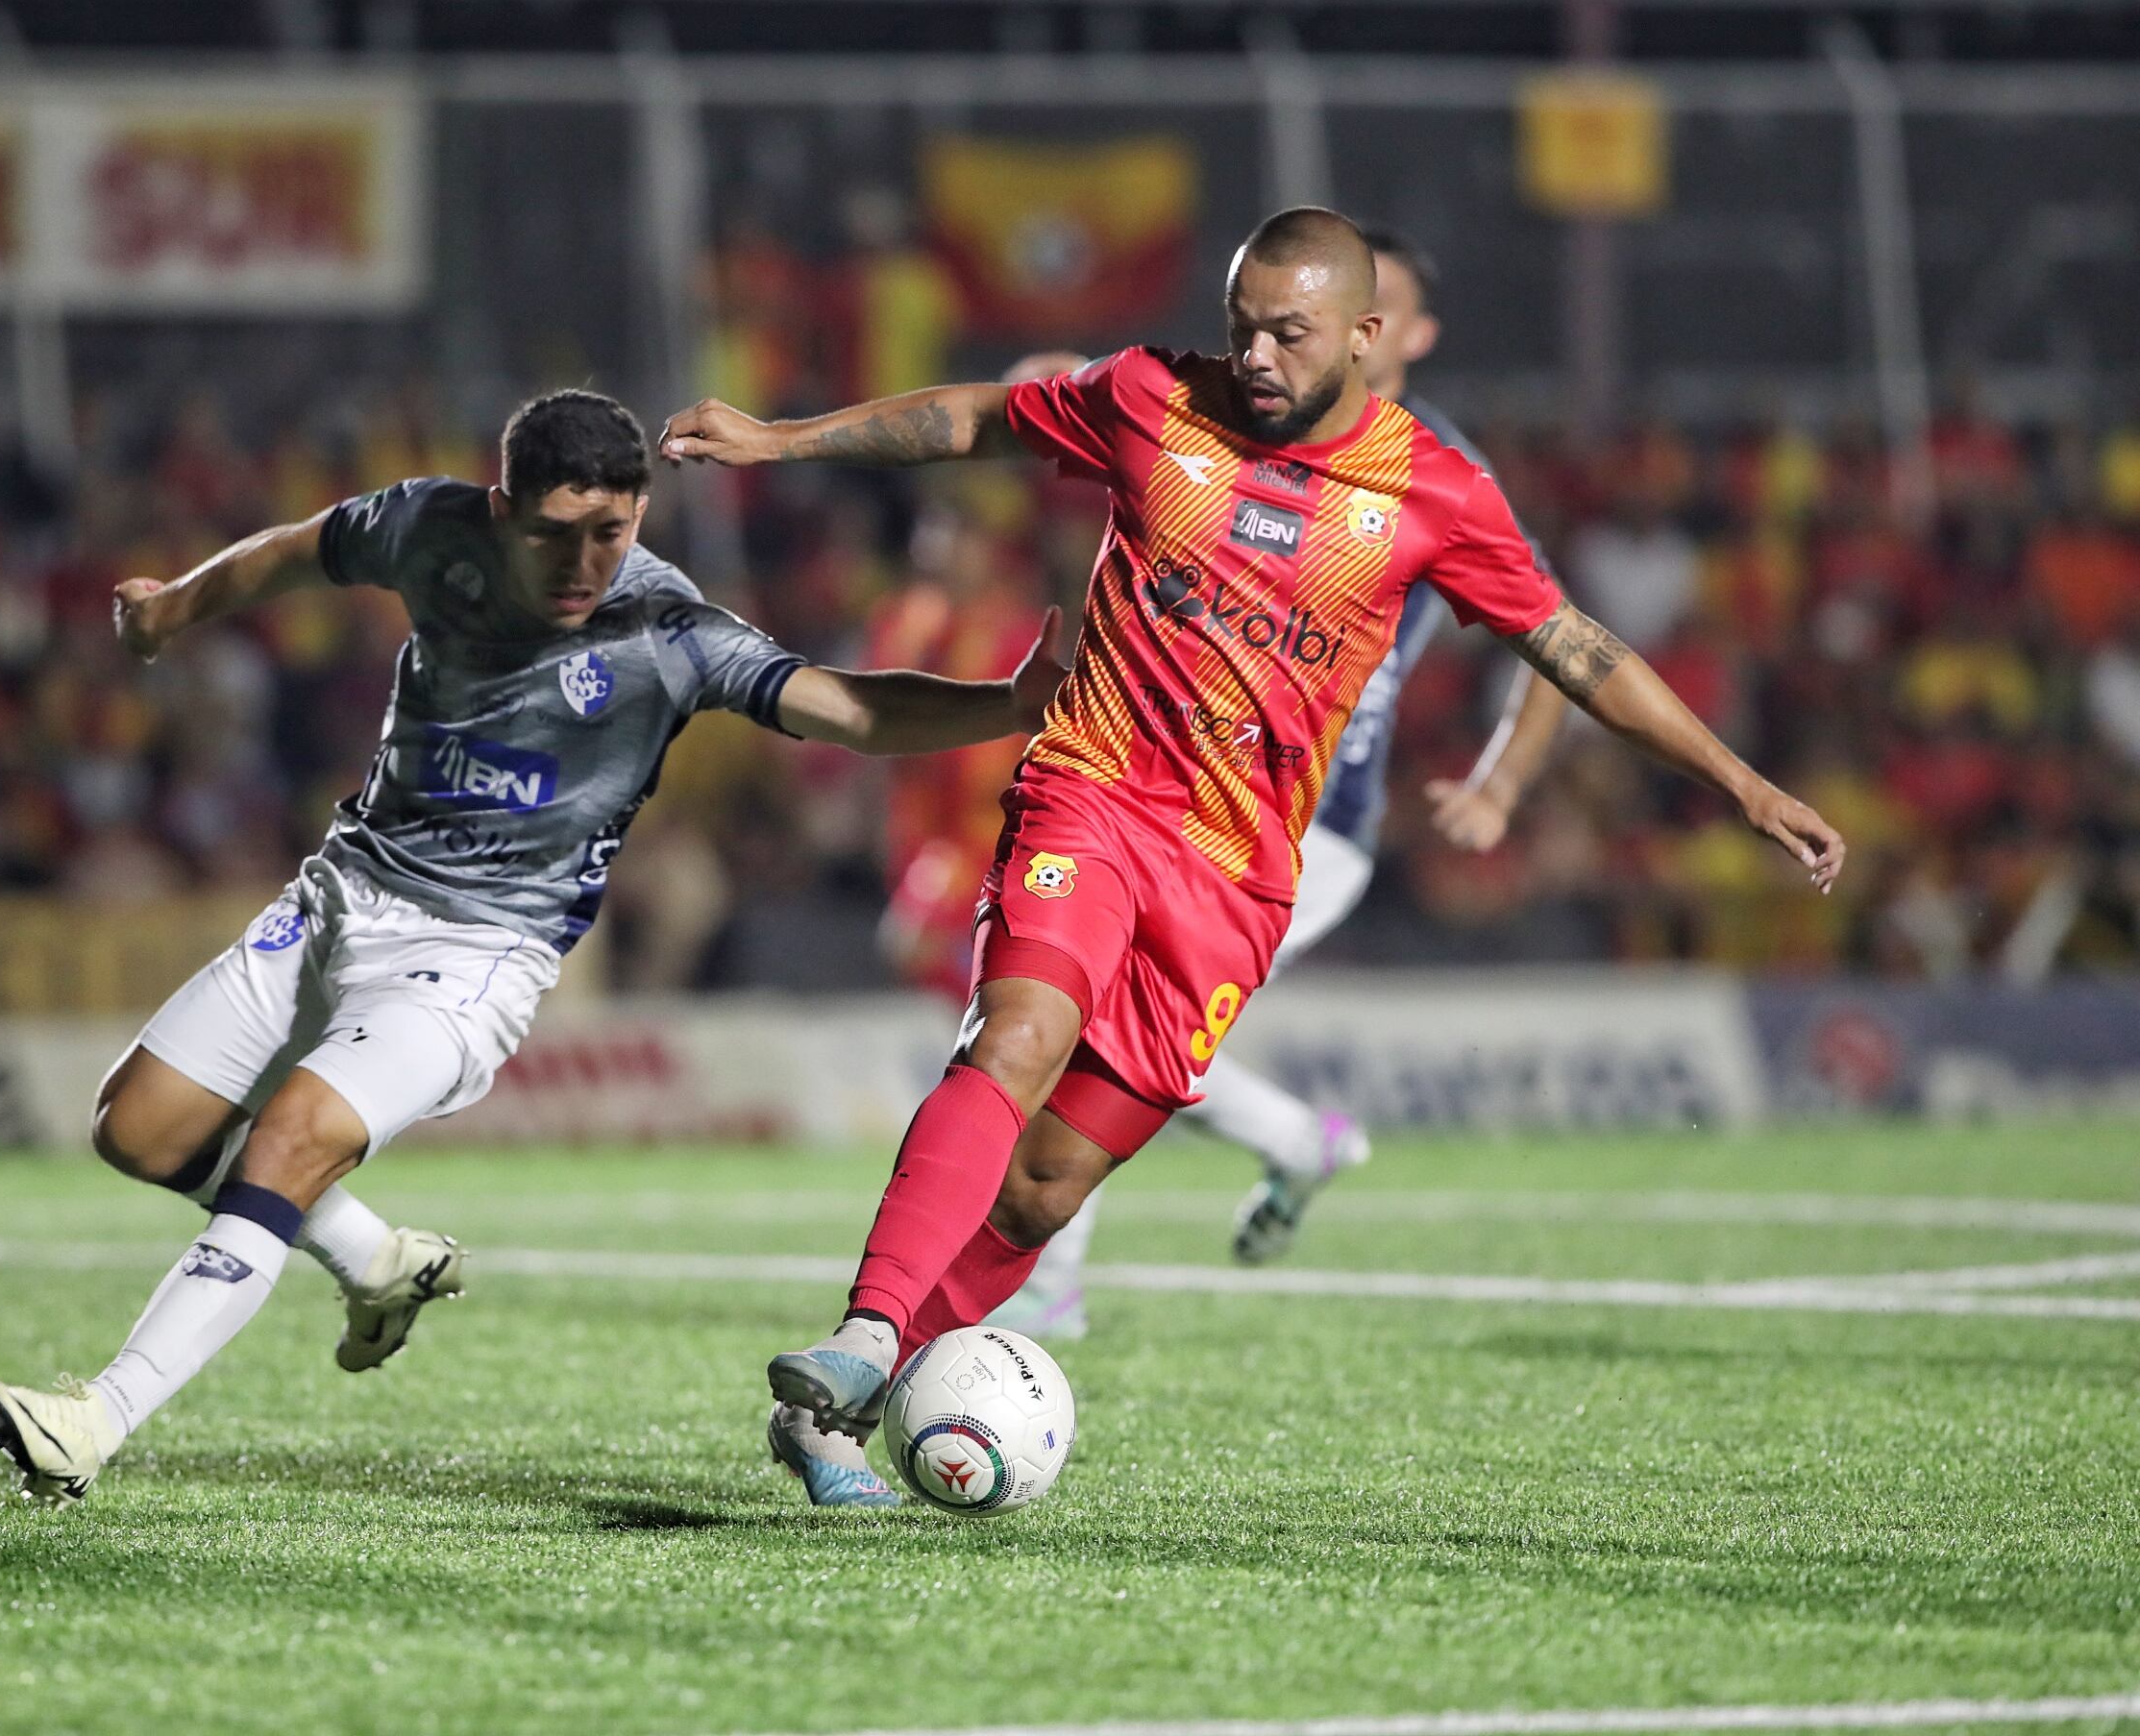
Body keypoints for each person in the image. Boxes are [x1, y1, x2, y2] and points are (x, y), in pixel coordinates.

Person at [660, 208, 1845, 1505]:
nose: (1261, 356)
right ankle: (866, 1339)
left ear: (1365, 334)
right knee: (1015, 1033)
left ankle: (840, 1417)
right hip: (1094, 794)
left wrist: (1738, 782)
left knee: (1049, 1189)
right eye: (1245, 328)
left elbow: (1576, 652)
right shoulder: (1152, 399)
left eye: (1291, 333)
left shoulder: (1432, 491)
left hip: (1235, 876)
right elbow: (971, 420)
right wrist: (783, 437)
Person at [0, 390, 1067, 1510]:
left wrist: (1008, 705)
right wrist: (170, 613)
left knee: (296, 1134)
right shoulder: (429, 529)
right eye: (554, 534)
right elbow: (294, 554)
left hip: (481, 953)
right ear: (502, 510)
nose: (585, 562)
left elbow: (849, 709)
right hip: (343, 892)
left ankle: (97, 1418)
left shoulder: (668, 632)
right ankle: (369, 1258)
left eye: (614, 531)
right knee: (139, 1127)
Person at [990, 226, 1576, 1339]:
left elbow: (1554, 638)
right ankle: (1296, 1146)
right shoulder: (1255, 425)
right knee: (1098, 1019)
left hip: (1316, 826)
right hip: (1187, 796)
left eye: (1384, 307)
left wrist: (1500, 784)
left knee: (1098, 1024)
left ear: (1398, 330)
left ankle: (1052, 1285)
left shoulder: (1434, 471)